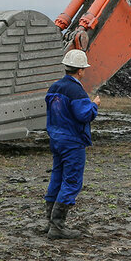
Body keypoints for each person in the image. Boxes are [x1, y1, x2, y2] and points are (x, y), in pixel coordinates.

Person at [42, 49, 100, 239]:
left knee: (57, 178)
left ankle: (50, 223)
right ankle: (58, 226)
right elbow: (84, 115)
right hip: (72, 141)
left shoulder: (54, 87)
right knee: (72, 180)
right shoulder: (76, 90)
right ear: (80, 71)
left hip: (56, 139)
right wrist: (95, 105)